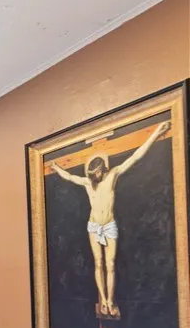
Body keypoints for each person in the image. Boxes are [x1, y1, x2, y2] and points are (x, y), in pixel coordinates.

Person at [49, 119, 171, 317]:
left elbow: (135, 157)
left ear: (101, 169)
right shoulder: (88, 183)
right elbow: (70, 177)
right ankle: (103, 301)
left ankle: (110, 300)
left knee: (110, 264)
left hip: (109, 226)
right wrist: (56, 168)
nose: (93, 176)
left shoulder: (113, 174)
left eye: (95, 173)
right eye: (91, 174)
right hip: (93, 226)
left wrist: (156, 132)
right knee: (98, 263)